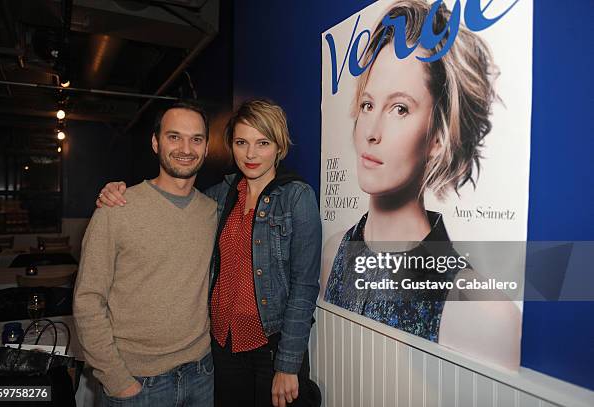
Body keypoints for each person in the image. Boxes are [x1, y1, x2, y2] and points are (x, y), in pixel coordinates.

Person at [321, 0, 521, 368]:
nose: (372, 133)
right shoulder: (334, 254)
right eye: (367, 105)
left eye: (400, 108)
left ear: (438, 138)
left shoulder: (480, 309)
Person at [97, 99, 322, 406]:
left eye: (263, 142)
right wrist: (117, 191)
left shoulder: (297, 198)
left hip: (270, 350)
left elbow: (305, 286)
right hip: (221, 347)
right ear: (231, 145)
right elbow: (173, 201)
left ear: (279, 147)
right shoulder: (218, 197)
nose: (251, 154)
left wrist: (288, 363)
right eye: (242, 142)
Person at [74, 101, 217, 406]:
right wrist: (116, 379)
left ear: (206, 148)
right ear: (155, 142)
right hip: (137, 383)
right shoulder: (117, 210)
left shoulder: (212, 211)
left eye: (196, 139)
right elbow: (88, 299)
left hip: (202, 374)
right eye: (174, 136)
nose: (185, 148)